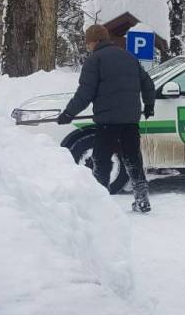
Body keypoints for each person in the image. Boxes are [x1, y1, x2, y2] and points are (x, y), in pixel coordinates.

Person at [57, 25, 155, 213]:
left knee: (101, 160)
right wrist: (149, 105)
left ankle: (99, 204)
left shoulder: (94, 61)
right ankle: (142, 199)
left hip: (107, 122)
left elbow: (85, 93)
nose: (88, 47)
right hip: (130, 121)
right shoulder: (129, 57)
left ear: (94, 41)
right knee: (133, 158)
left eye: (88, 43)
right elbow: (148, 84)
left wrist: (69, 113)